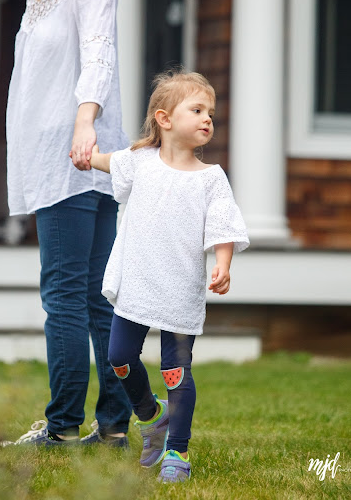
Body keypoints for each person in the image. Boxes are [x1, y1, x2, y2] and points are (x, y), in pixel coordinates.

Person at [3, 0, 132, 447]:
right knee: (91, 297)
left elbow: (98, 56)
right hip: (51, 149)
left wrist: (86, 125)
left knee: (67, 295)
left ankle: (62, 426)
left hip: (77, 155)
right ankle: (114, 426)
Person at [89, 71, 249, 482]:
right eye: (196, 110)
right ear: (164, 118)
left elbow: (224, 226)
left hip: (180, 287)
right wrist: (84, 153)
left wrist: (224, 264)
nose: (207, 119)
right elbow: (106, 161)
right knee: (118, 357)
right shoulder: (140, 163)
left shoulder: (211, 178)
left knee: (175, 370)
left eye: (210, 112)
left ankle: (177, 451)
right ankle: (151, 415)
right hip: (137, 282)